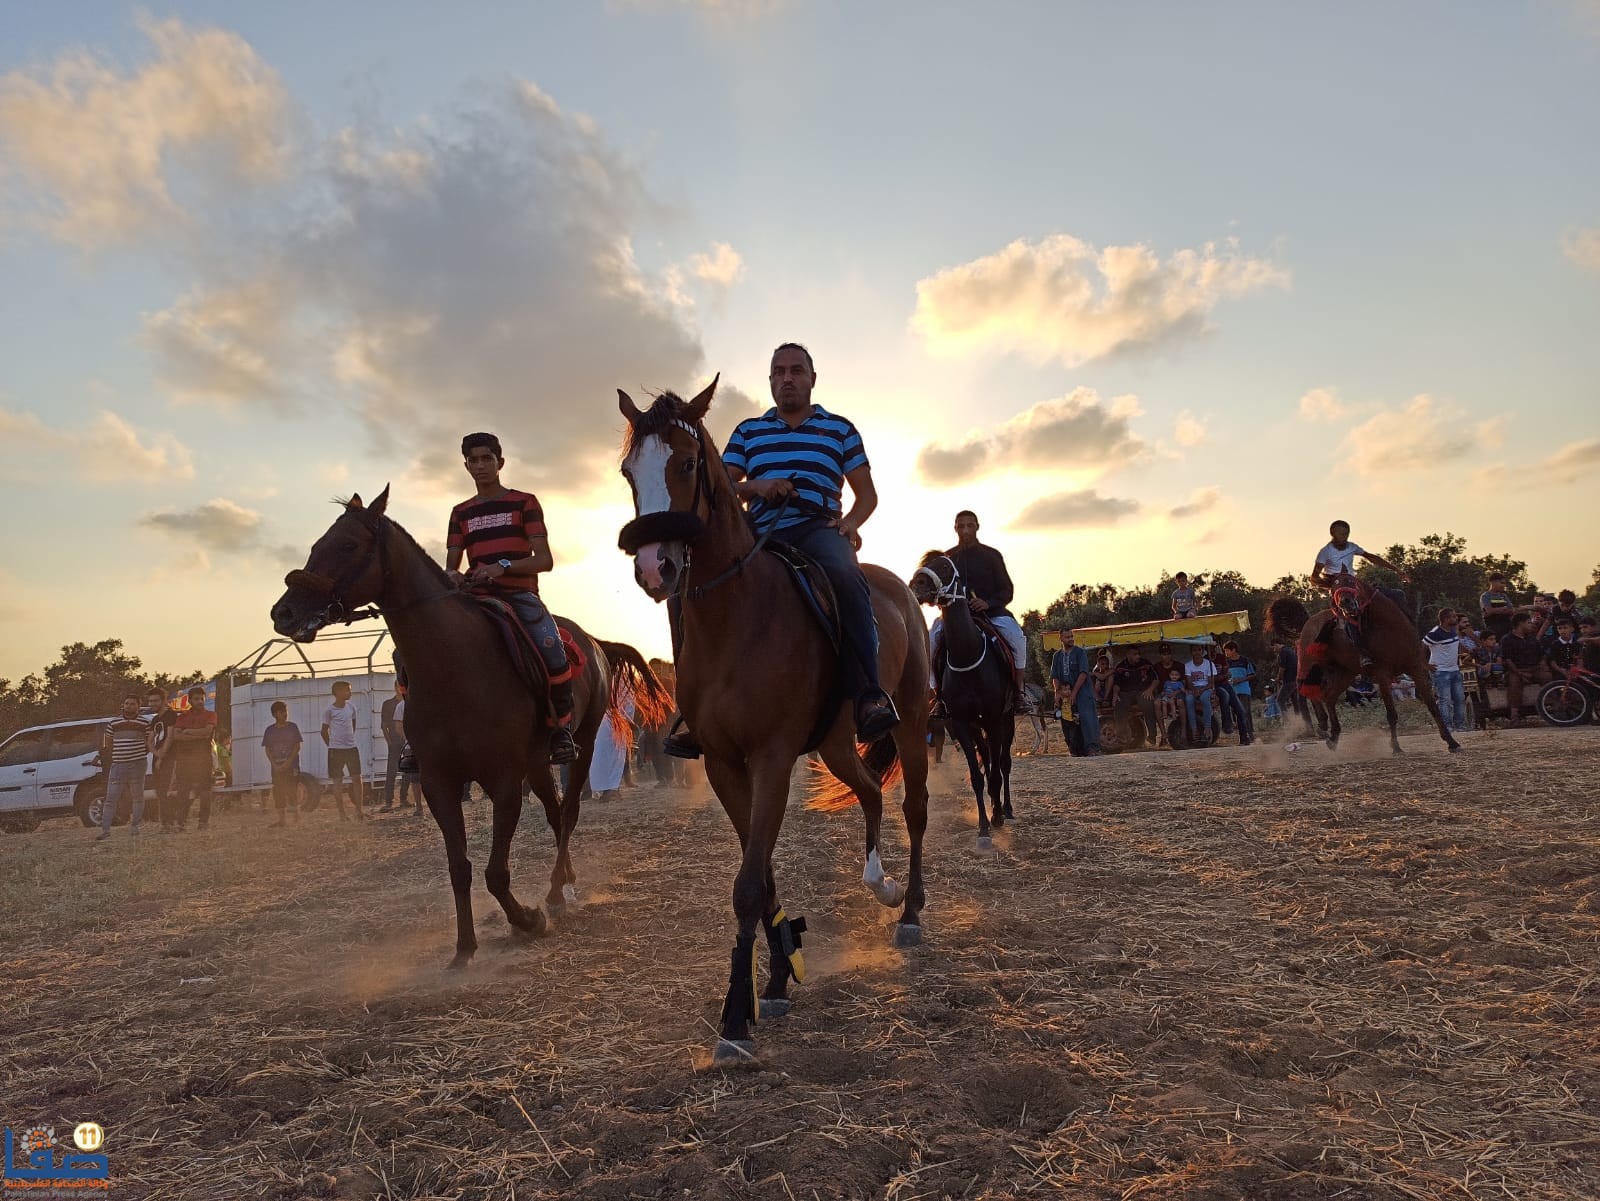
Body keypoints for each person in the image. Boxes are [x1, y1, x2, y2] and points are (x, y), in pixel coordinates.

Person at [667, 342, 898, 758]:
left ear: (812, 379)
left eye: (796, 370)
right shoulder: (748, 432)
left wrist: (850, 523)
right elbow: (721, 486)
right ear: (771, 381)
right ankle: (694, 707)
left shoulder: (839, 429)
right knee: (684, 587)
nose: (787, 378)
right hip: (757, 533)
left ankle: (868, 695)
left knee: (846, 575)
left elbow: (867, 495)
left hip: (817, 528)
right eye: (779, 371)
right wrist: (758, 486)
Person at [447, 432, 578, 764]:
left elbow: (545, 560)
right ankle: (423, 736)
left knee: (551, 645)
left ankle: (560, 728)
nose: (480, 465)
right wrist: (452, 576)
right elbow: (452, 567)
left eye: (486, 458)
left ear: (500, 462)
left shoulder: (524, 502)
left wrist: (501, 567)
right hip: (476, 596)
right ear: (466, 466)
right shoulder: (460, 513)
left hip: (520, 595)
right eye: (473, 460)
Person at [932, 511, 1029, 711]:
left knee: (1017, 638)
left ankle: (1019, 692)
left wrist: (988, 603)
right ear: (955, 528)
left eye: (970, 525)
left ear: (977, 527)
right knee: (931, 640)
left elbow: (1007, 590)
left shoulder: (992, 555)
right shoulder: (947, 558)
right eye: (961, 526)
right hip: (954, 618)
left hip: (991, 614)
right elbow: (939, 590)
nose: (965, 530)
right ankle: (938, 696)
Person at [97, 691, 152, 840]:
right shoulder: (113, 723)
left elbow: (149, 743)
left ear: (138, 706)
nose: (129, 706)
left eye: (132, 704)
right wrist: (118, 755)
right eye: (126, 703)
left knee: (137, 796)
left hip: (138, 764)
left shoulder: (145, 723)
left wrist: (138, 754)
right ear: (123, 705)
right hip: (118, 765)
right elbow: (108, 744)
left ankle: (135, 827)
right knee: (111, 797)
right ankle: (105, 830)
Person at [1310, 520, 1407, 593]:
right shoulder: (1325, 552)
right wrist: (1331, 585)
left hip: (1352, 582)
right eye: (1341, 534)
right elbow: (1314, 578)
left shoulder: (1352, 547)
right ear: (1333, 534)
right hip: (1338, 587)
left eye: (1347, 534)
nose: (1345, 537)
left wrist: (1397, 570)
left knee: (1397, 594)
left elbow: (1372, 558)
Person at [169, 685, 218, 832]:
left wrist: (188, 731)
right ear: (190, 700)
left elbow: (207, 732)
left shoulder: (211, 715)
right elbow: (176, 736)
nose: (200, 702)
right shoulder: (182, 717)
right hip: (185, 758)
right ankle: (181, 823)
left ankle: (203, 822)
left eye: (202, 699)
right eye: (196, 699)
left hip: (203, 757)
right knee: (183, 792)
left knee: (205, 791)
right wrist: (198, 735)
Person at [1049, 628, 1100, 755]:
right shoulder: (1057, 656)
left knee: (1087, 718)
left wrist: (1074, 692)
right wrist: (1058, 693)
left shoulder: (1080, 652)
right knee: (1068, 721)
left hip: (1082, 691)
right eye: (1067, 637)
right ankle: (1075, 749)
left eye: (1071, 636)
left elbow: (1083, 673)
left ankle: (1091, 748)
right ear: (1061, 638)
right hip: (1065, 693)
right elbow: (1055, 676)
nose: (1071, 639)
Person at [321, 680, 366, 820]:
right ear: (338, 692)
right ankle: (342, 814)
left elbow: (353, 725)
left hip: (351, 748)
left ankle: (359, 811)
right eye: (347, 690)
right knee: (338, 781)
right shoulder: (329, 711)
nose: (350, 692)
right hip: (336, 750)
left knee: (357, 778)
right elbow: (323, 731)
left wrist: (348, 740)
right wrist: (332, 745)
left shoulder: (351, 707)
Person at [1421, 608, 1468, 732]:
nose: (1455, 618)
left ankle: (1460, 725)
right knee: (1445, 700)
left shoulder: (1453, 630)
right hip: (1441, 671)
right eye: (1453, 617)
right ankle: (1446, 726)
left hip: (1454, 669)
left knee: (1459, 698)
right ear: (1446, 619)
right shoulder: (1435, 633)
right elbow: (1421, 647)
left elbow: (1456, 645)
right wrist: (1425, 665)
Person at [1501, 614, 1552, 724]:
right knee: (1514, 683)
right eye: (1528, 622)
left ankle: (1557, 707)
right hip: (1516, 670)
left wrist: (1543, 666)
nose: (1531, 624)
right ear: (1520, 624)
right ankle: (1514, 715)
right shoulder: (1507, 639)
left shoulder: (1532, 638)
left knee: (1547, 677)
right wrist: (1520, 673)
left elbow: (1542, 655)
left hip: (1535, 668)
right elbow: (1508, 660)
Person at [262, 700, 303, 827]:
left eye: (285, 711)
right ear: (275, 714)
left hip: (292, 765)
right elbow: (267, 749)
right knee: (278, 791)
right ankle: (282, 820)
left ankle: (297, 817)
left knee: (292, 790)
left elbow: (297, 746)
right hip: (277, 766)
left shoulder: (292, 727)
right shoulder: (269, 730)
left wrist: (288, 762)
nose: (285, 714)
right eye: (281, 712)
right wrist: (274, 764)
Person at [143, 687, 179, 831]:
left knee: (167, 790)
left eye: (155, 701)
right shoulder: (155, 719)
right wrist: (156, 754)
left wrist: (162, 756)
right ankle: (164, 822)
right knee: (159, 790)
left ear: (164, 700)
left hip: (170, 757)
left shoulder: (171, 715)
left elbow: (170, 737)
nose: (152, 704)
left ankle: (170, 822)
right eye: (150, 701)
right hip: (157, 757)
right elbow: (150, 740)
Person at [1111, 646, 1158, 747]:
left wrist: (1150, 690)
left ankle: (1152, 736)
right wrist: (1115, 695)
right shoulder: (1121, 667)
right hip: (1126, 693)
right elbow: (1116, 684)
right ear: (1128, 655)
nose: (1138, 656)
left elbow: (1156, 679)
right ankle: (1121, 737)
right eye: (1135, 654)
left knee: (1148, 703)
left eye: (1138, 654)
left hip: (1142, 692)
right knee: (1119, 704)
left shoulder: (1146, 664)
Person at [379, 682, 407, 812]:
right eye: (398, 686)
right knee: (391, 771)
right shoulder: (388, 704)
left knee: (408, 771)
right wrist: (389, 742)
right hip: (395, 741)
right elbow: (384, 725)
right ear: (395, 687)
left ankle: (403, 799)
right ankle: (388, 801)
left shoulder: (408, 703)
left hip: (407, 741)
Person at [1222, 641, 1256, 744]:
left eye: (1227, 651)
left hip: (1244, 690)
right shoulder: (1226, 662)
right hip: (1232, 691)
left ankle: (1250, 734)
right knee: (1236, 714)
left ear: (1233, 650)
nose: (1226, 653)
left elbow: (1252, 675)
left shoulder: (1245, 661)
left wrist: (1240, 679)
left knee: (1245, 713)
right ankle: (1243, 736)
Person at [1182, 645, 1217, 743]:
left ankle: (1207, 728)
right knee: (1189, 699)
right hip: (1193, 688)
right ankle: (1194, 730)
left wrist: (1201, 690)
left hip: (1206, 688)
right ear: (1191, 652)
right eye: (1194, 650)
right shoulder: (1188, 665)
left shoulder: (1209, 664)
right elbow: (1189, 682)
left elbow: (1211, 683)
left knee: (1204, 698)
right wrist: (1195, 690)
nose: (1197, 652)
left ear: (1202, 651)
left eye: (1199, 650)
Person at [1478, 572, 1517, 639]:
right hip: (1493, 630)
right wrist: (1503, 608)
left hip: (1507, 629)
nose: (1503, 585)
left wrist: (1496, 610)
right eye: (1501, 583)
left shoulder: (1504, 596)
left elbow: (1512, 610)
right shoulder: (1485, 596)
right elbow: (1489, 611)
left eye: (1504, 583)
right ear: (1492, 582)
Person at [1156, 666, 1187, 747]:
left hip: (1174, 697)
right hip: (1167, 695)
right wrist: (1163, 693)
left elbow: (1182, 690)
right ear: (1169, 675)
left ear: (1179, 676)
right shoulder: (1167, 682)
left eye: (1176, 675)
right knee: (1163, 702)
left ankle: (1174, 716)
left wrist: (1186, 692)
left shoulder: (1179, 683)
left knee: (1172, 702)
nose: (1174, 676)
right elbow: (1165, 689)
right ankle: (1165, 715)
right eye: (1172, 675)